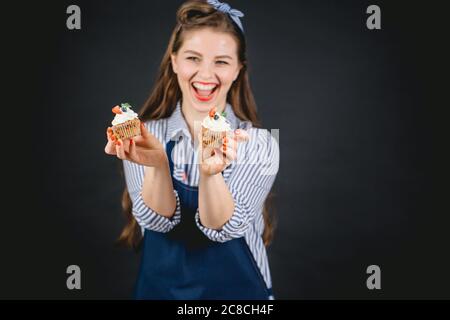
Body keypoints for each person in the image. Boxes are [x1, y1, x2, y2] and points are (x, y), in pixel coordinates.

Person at [104, 0, 279, 300]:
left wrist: (211, 173)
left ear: (238, 69)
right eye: (193, 58)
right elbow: (155, 221)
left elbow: (222, 229)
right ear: (174, 61)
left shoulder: (259, 144)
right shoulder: (145, 135)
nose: (205, 74)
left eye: (221, 61)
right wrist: (158, 164)